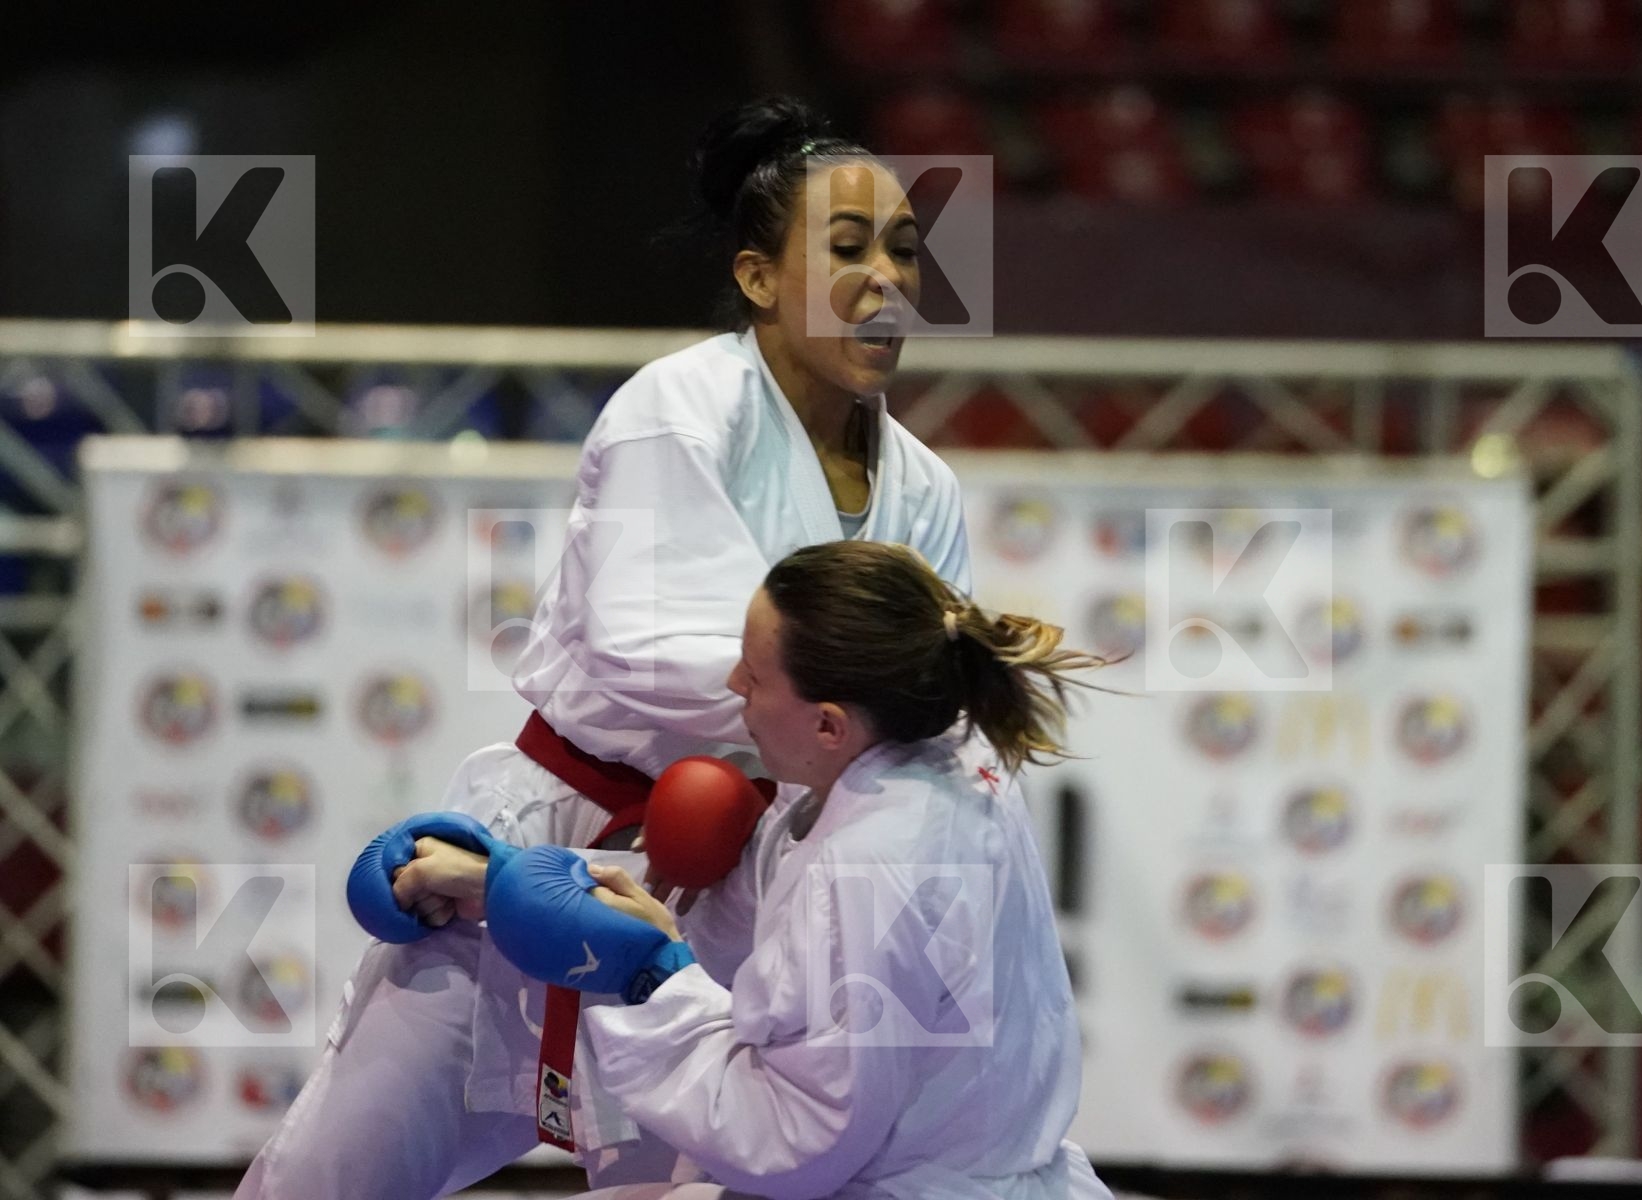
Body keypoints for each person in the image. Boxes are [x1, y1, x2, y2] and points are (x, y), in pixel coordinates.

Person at [236, 96, 971, 1200]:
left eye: (906, 252)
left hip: (742, 896)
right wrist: (850, 713)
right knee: (327, 1181)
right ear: (761, 278)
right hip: (555, 845)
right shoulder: (678, 409)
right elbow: (639, 649)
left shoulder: (929, 488)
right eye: (850, 247)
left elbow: (926, 718)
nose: (889, 280)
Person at [400, 540, 1116, 1200]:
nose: (733, 681)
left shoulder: (869, 869)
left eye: (756, 673)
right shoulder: (942, 745)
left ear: (829, 724)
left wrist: (652, 979)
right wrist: (504, 878)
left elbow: (798, 1143)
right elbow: (764, 897)